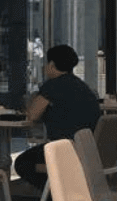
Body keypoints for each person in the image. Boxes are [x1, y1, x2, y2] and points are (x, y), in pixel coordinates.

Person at [13, 44, 101, 191]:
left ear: (52, 64)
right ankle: (64, 191)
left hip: (66, 150)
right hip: (87, 151)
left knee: (23, 163)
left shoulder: (53, 86)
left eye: (46, 63)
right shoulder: (83, 87)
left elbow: (31, 115)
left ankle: (56, 196)